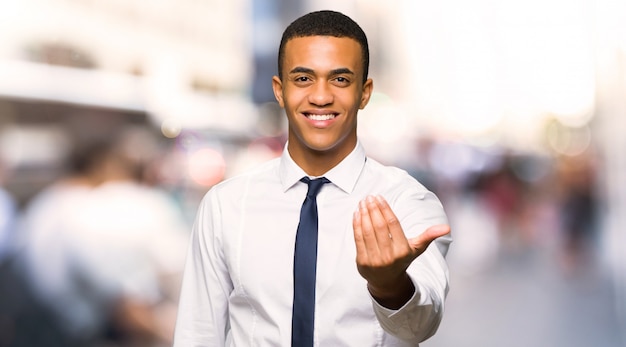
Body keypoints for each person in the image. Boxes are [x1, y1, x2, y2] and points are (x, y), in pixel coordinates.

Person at [173, 10, 452, 346]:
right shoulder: (226, 205)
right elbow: (198, 333)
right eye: (303, 79)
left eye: (340, 79)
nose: (320, 96)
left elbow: (420, 326)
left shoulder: (407, 201)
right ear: (279, 90)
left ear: (364, 93)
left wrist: (389, 284)